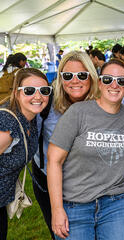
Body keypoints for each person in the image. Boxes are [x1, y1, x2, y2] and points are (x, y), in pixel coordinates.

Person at [47, 58, 124, 240]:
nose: (114, 85)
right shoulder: (78, 112)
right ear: (99, 83)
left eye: (121, 80)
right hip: (75, 204)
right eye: (107, 79)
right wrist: (57, 209)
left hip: (115, 204)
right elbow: (53, 160)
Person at [32, 51, 99, 239]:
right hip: (48, 179)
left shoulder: (103, 102)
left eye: (82, 75)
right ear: (60, 77)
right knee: (63, 231)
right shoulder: (46, 103)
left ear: (92, 76)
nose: (75, 81)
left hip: (90, 180)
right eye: (68, 75)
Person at [0, 68, 51, 240]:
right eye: (29, 91)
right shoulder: (8, 124)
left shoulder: (30, 116)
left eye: (44, 91)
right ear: (16, 93)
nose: (38, 96)